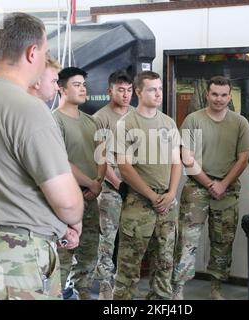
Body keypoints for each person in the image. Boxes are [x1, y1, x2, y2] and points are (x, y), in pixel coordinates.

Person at [0, 12, 84, 300]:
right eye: (45, 51)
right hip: (11, 255)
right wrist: (73, 220)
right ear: (32, 52)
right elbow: (68, 203)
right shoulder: (28, 107)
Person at [172, 76, 249, 300]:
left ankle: (216, 288)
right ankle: (178, 288)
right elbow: (186, 157)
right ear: (207, 95)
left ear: (230, 96)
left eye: (224, 95)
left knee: (223, 242)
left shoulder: (240, 123)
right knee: (186, 241)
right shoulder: (192, 120)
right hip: (197, 188)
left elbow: (243, 158)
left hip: (227, 189)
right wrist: (209, 184)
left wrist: (223, 184)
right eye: (215, 94)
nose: (219, 99)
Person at [112, 70, 182, 300]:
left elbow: (176, 162)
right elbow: (125, 168)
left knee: (164, 267)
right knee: (128, 270)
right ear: (139, 92)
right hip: (138, 204)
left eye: (160, 89)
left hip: (167, 205)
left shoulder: (168, 122)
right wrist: (152, 196)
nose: (158, 93)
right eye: (153, 89)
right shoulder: (127, 123)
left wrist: (171, 193)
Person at [53, 66, 106, 300]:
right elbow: (60, 161)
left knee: (89, 251)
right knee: (63, 254)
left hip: (90, 197)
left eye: (84, 85)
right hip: (66, 200)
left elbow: (101, 155)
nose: (83, 89)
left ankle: (82, 292)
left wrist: (98, 182)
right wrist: (90, 184)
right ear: (61, 88)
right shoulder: (54, 121)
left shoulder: (91, 123)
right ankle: (58, 294)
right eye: (77, 85)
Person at [92, 70, 134, 300]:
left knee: (130, 237)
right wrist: (119, 184)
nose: (126, 95)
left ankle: (123, 285)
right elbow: (100, 158)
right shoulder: (100, 118)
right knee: (107, 239)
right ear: (110, 90)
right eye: (120, 90)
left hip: (136, 187)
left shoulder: (138, 116)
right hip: (111, 188)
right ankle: (106, 285)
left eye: (129, 90)